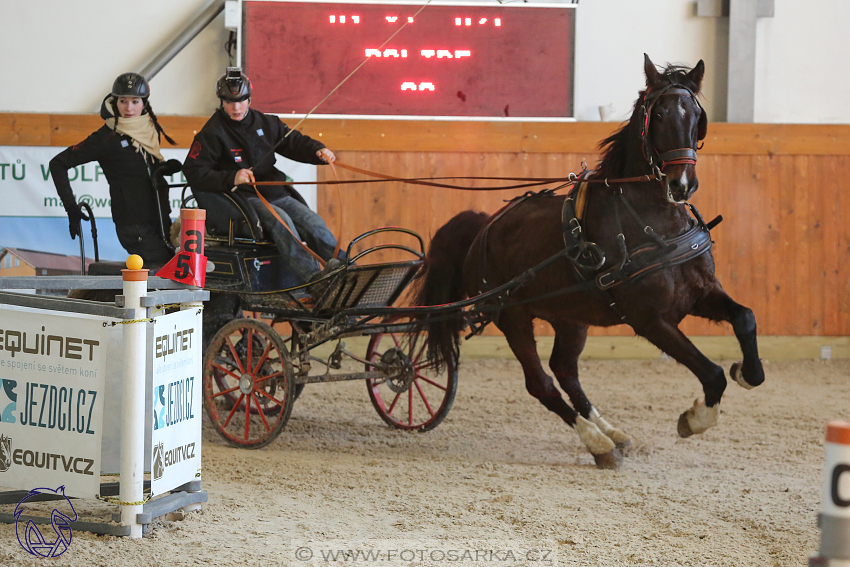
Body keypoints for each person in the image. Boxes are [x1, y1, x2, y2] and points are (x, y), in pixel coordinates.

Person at [182, 67, 344, 287]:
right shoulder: (212, 132)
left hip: (276, 193)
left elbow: (294, 142)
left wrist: (318, 150)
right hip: (243, 200)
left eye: (241, 100)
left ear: (249, 98)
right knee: (282, 222)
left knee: (312, 222)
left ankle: (344, 270)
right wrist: (232, 178)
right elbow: (194, 172)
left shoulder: (266, 123)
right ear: (221, 101)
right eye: (229, 102)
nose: (236, 107)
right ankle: (312, 279)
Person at [50, 72, 179, 268]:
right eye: (123, 101)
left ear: (144, 103)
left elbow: (137, 169)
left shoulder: (148, 128)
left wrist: (161, 168)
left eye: (135, 101)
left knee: (173, 270)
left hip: (160, 219)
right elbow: (57, 164)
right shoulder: (105, 138)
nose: (129, 108)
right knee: (161, 275)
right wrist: (71, 209)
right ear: (114, 102)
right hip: (134, 226)